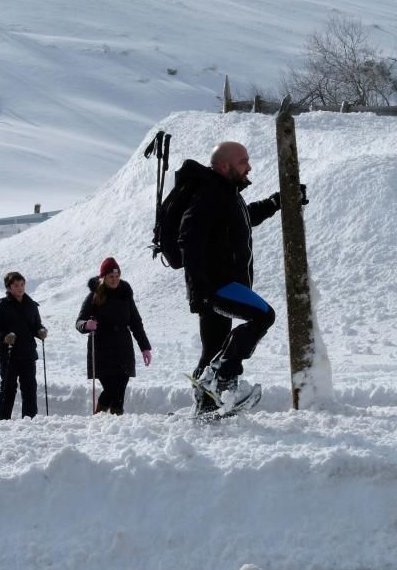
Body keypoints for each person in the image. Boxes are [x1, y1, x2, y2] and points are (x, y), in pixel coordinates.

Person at [178, 141, 307, 413]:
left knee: (213, 349)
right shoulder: (209, 194)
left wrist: (276, 202)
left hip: (216, 286)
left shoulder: (224, 194)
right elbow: (188, 238)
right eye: (243, 161)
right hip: (218, 285)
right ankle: (224, 380)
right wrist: (199, 289)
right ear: (224, 165)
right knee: (263, 316)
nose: (249, 166)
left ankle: (206, 409)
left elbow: (244, 217)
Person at [75, 257, 152, 415]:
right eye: (111, 276)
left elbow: (136, 323)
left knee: (120, 389)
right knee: (111, 388)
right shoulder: (94, 296)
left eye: (117, 276)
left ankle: (115, 422)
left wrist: (145, 347)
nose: (115, 279)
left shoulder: (125, 295)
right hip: (103, 350)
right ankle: (101, 420)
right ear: (103, 277)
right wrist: (86, 325)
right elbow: (79, 322)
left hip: (123, 349)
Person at [0, 271, 48, 420]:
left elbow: (36, 325)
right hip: (9, 355)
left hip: (27, 353)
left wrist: (40, 332)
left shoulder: (31, 305)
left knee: (30, 389)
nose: (20, 288)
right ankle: (2, 422)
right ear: (8, 288)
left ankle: (30, 421)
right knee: (8, 389)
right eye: (16, 285)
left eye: (22, 284)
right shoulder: (2, 306)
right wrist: (4, 337)